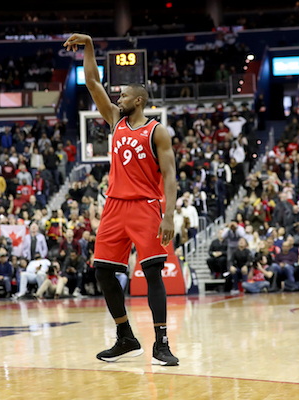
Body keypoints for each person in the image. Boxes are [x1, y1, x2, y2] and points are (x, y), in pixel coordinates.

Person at [64, 33, 179, 366]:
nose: (119, 97)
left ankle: (161, 343)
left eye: (125, 95)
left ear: (139, 101)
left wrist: (168, 214)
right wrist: (88, 45)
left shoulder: (156, 131)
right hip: (114, 205)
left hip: (145, 206)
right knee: (102, 271)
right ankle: (126, 337)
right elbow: (91, 82)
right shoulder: (115, 121)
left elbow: (170, 176)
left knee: (153, 272)